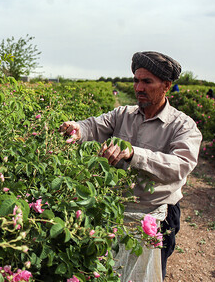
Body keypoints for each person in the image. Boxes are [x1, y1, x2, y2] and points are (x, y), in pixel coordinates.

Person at [59, 51, 202, 281]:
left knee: (147, 274)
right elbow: (94, 126)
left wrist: (134, 153)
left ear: (166, 85)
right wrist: (77, 128)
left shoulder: (183, 126)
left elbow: (180, 165)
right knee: (111, 272)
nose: (138, 87)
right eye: (136, 80)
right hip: (115, 211)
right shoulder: (123, 114)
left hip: (156, 215)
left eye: (147, 81)